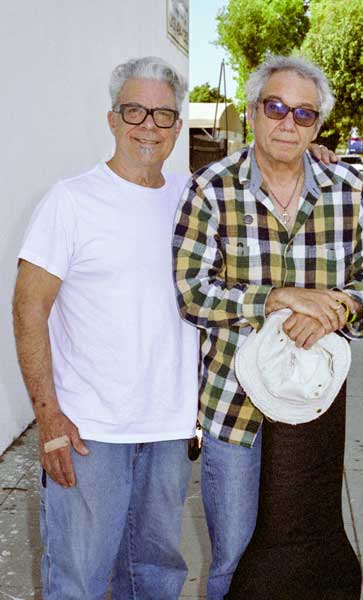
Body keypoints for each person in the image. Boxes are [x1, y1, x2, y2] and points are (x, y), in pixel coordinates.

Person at [172, 54, 363, 599]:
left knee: (308, 554)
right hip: (234, 409)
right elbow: (191, 291)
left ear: (318, 125)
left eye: (304, 114)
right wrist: (276, 299)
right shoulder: (211, 188)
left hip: (312, 405)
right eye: (275, 107)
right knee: (234, 560)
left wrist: (342, 306)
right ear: (252, 111)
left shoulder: (347, 188)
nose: (287, 123)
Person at [12, 56, 199, 599]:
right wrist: (48, 418)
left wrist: (317, 158)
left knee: (156, 578)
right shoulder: (69, 202)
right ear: (112, 119)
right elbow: (29, 311)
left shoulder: (193, 200)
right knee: (80, 581)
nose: (148, 125)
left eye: (163, 114)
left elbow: (262, 180)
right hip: (88, 432)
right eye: (134, 110)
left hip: (168, 428)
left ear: (178, 126)